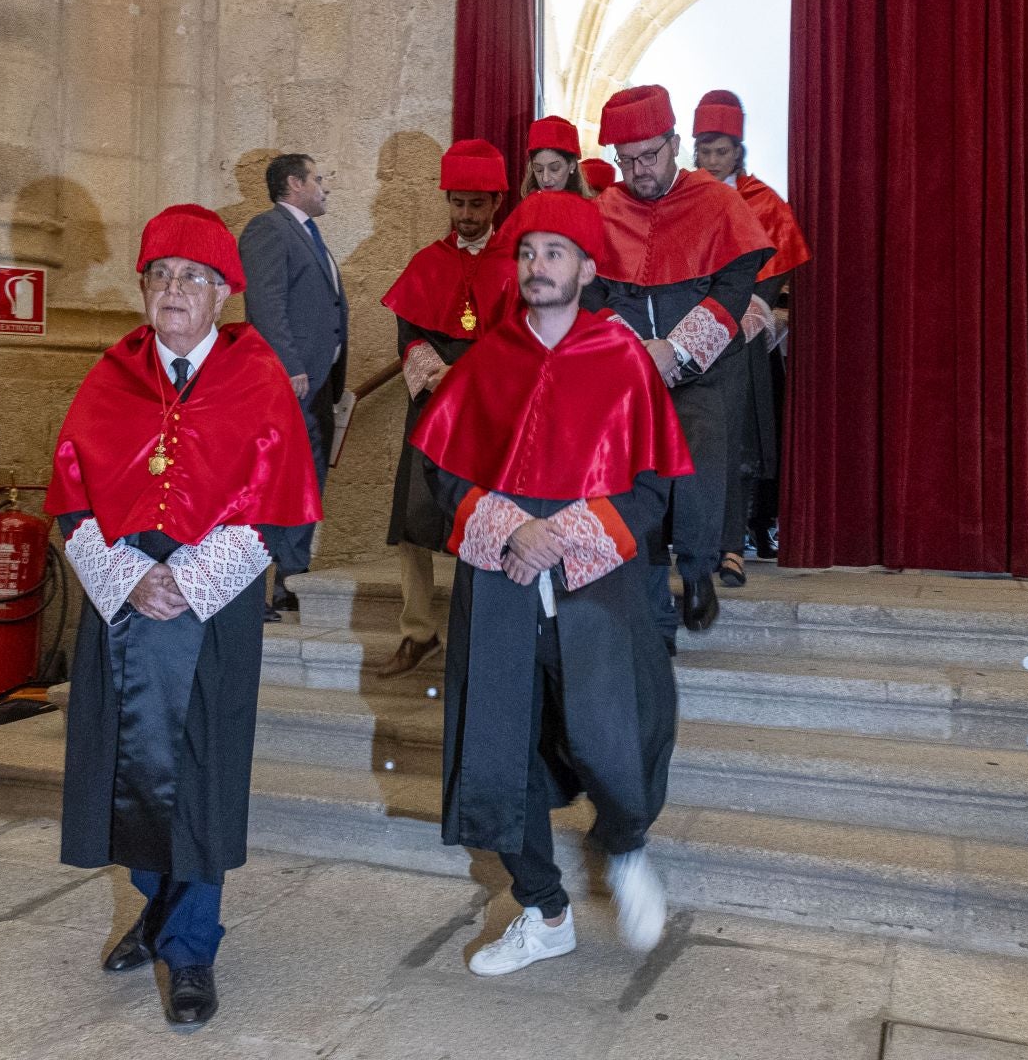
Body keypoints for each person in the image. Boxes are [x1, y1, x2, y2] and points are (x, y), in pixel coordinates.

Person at [47, 203, 321, 1029]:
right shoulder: (110, 375)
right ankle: (155, 908)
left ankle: (191, 944)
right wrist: (130, 578)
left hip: (214, 599)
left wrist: (190, 580)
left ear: (221, 294)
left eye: (191, 278)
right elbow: (71, 498)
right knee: (123, 763)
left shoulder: (257, 375)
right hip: (122, 600)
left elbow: (282, 510)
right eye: (160, 276)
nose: (173, 290)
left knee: (200, 771)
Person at [412, 190, 693, 974]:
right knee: (499, 747)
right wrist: (513, 531)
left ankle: (627, 845)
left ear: (587, 268)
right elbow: (443, 474)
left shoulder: (622, 359)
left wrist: (559, 538)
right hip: (498, 579)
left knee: (614, 730)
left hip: (592, 582)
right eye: (529, 254)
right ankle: (544, 910)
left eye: (555, 254)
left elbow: (647, 488)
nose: (539, 267)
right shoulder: (488, 359)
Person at [584, 83, 773, 632]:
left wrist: (677, 350)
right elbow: (592, 294)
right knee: (636, 473)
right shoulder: (605, 210)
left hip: (706, 365)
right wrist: (638, 353)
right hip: (630, 366)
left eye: (650, 155)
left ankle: (696, 572)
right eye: (627, 161)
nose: (639, 170)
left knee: (696, 466)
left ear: (673, 143)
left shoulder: (717, 202)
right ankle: (647, 593)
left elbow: (735, 284)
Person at [375, 139, 518, 678]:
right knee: (413, 517)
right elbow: (408, 333)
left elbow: (522, 337)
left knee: (480, 520)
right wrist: (439, 376)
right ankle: (418, 633)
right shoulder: (427, 262)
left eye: (475, 205)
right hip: (433, 405)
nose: (465, 215)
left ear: (496, 203)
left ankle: (480, 635)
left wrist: (473, 377)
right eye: (457, 203)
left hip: (489, 411)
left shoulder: (516, 264)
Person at [691, 91, 810, 582]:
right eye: (705, 152)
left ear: (738, 151)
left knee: (739, 441)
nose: (713, 161)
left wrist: (752, 311)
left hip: (741, 336)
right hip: (692, 336)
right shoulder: (684, 201)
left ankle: (735, 540)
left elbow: (776, 270)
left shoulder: (763, 202)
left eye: (722, 151)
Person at [239, 152, 346, 622]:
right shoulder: (268, 229)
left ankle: (290, 580)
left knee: (306, 482)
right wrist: (289, 365)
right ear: (293, 184)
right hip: (290, 381)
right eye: (316, 179)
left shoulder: (309, 234)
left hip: (318, 382)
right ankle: (247, 588)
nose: (324, 187)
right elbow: (266, 302)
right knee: (274, 482)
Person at [519, 115, 592, 198]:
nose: (545, 179)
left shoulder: (589, 209)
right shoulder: (525, 209)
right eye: (539, 169)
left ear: (572, 165)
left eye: (554, 168)